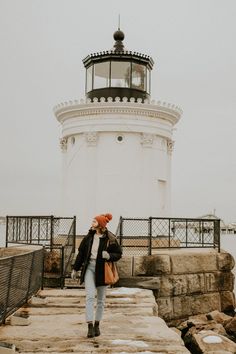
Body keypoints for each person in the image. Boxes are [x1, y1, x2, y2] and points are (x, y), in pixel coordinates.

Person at [71, 213, 122, 338]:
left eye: (94, 221)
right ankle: (89, 326)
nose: (92, 223)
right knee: (89, 296)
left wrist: (109, 256)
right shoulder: (88, 237)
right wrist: (75, 269)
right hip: (90, 269)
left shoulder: (110, 238)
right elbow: (81, 254)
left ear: (100, 224)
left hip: (102, 271)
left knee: (101, 300)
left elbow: (119, 253)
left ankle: (97, 325)